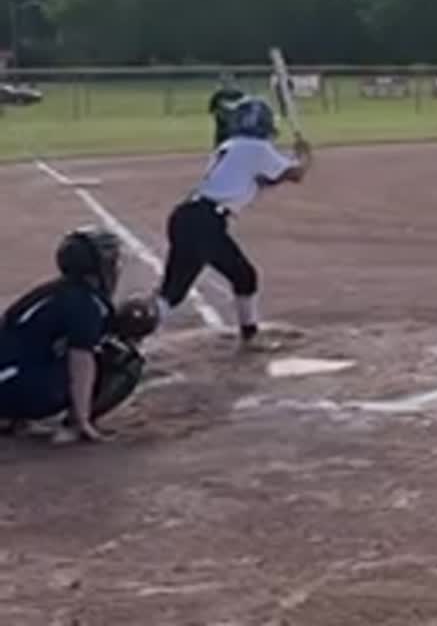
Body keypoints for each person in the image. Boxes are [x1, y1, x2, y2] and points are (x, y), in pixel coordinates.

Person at [151, 96, 311, 350]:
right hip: (205, 222)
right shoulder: (256, 148)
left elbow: (264, 180)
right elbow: (296, 175)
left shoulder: (231, 145)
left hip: (190, 216)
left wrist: (294, 159)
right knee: (180, 291)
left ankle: (249, 335)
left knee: (236, 277)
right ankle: (131, 335)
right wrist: (304, 156)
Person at [0, 228, 149, 444]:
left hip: (8, 378)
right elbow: (81, 362)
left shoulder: (54, 291)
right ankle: (73, 426)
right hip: (16, 387)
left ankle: (9, 416)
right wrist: (82, 419)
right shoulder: (85, 304)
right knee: (122, 358)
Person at [208, 72, 244, 148]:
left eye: (229, 82)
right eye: (224, 82)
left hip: (236, 129)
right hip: (222, 129)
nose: (227, 84)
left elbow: (245, 110)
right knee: (220, 148)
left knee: (236, 148)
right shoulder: (217, 95)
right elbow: (212, 111)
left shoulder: (240, 95)